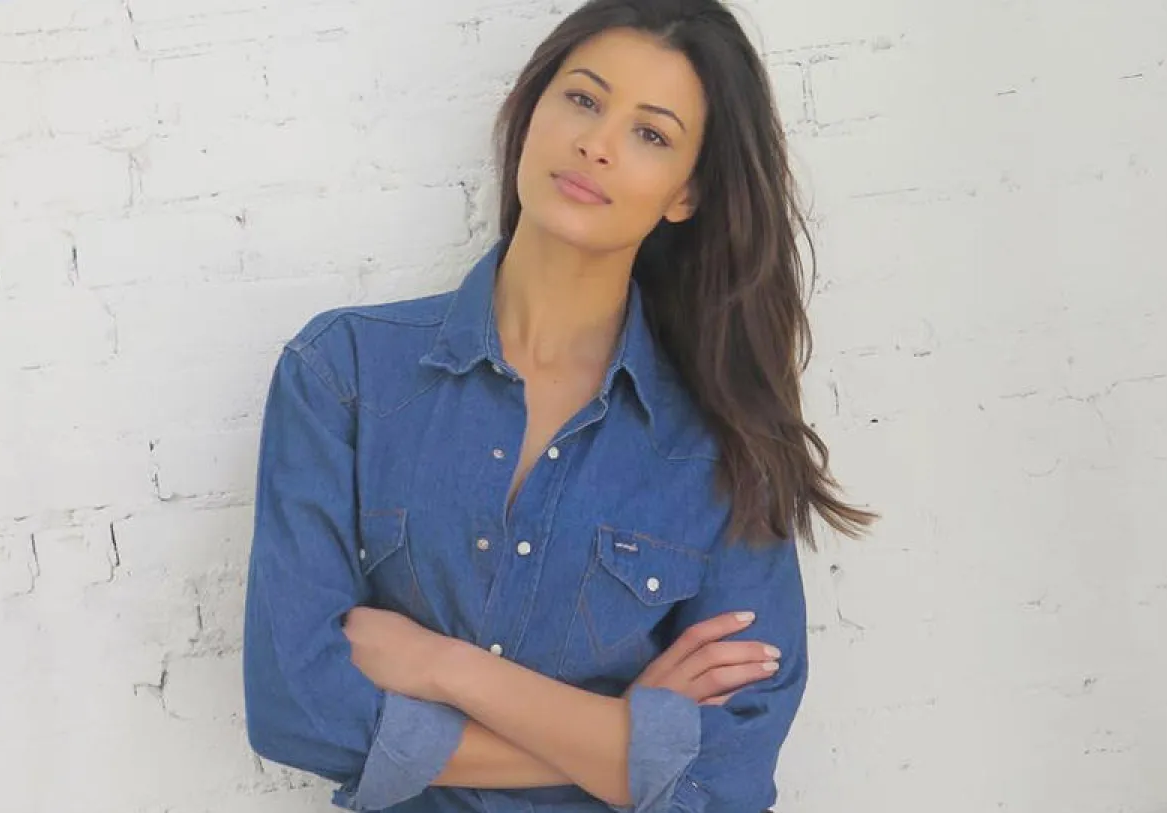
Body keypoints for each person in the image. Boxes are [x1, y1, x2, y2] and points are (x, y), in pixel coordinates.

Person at [242, 1, 876, 811]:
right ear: (530, 110)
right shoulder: (344, 372)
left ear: (686, 192)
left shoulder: (722, 444)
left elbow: (727, 779)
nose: (596, 144)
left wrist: (446, 667)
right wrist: (623, 739)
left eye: (650, 134)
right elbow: (295, 710)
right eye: (582, 98)